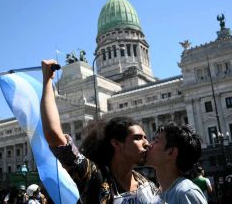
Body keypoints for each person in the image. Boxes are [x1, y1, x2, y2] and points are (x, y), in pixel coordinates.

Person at [40, 59, 157, 203]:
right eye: (138, 138)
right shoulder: (95, 178)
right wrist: (47, 82)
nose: (147, 143)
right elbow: (54, 136)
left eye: (145, 137)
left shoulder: (146, 184)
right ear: (116, 144)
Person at [146, 123, 208, 204]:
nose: (149, 145)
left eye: (156, 141)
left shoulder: (186, 192)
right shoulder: (158, 194)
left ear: (171, 152)